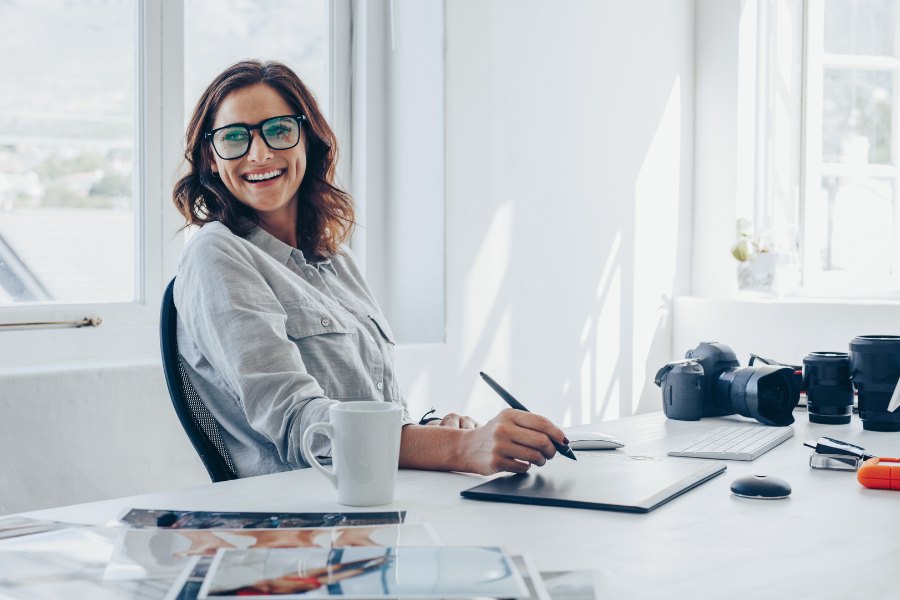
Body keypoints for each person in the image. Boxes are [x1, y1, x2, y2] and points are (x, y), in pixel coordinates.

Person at [172, 59, 566, 478]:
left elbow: (377, 405)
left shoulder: (335, 257)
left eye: (279, 130)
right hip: (303, 517)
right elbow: (300, 424)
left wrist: (433, 433)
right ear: (211, 159)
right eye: (234, 138)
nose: (260, 152)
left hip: (380, 495)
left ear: (308, 140)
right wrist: (460, 448)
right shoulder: (215, 254)